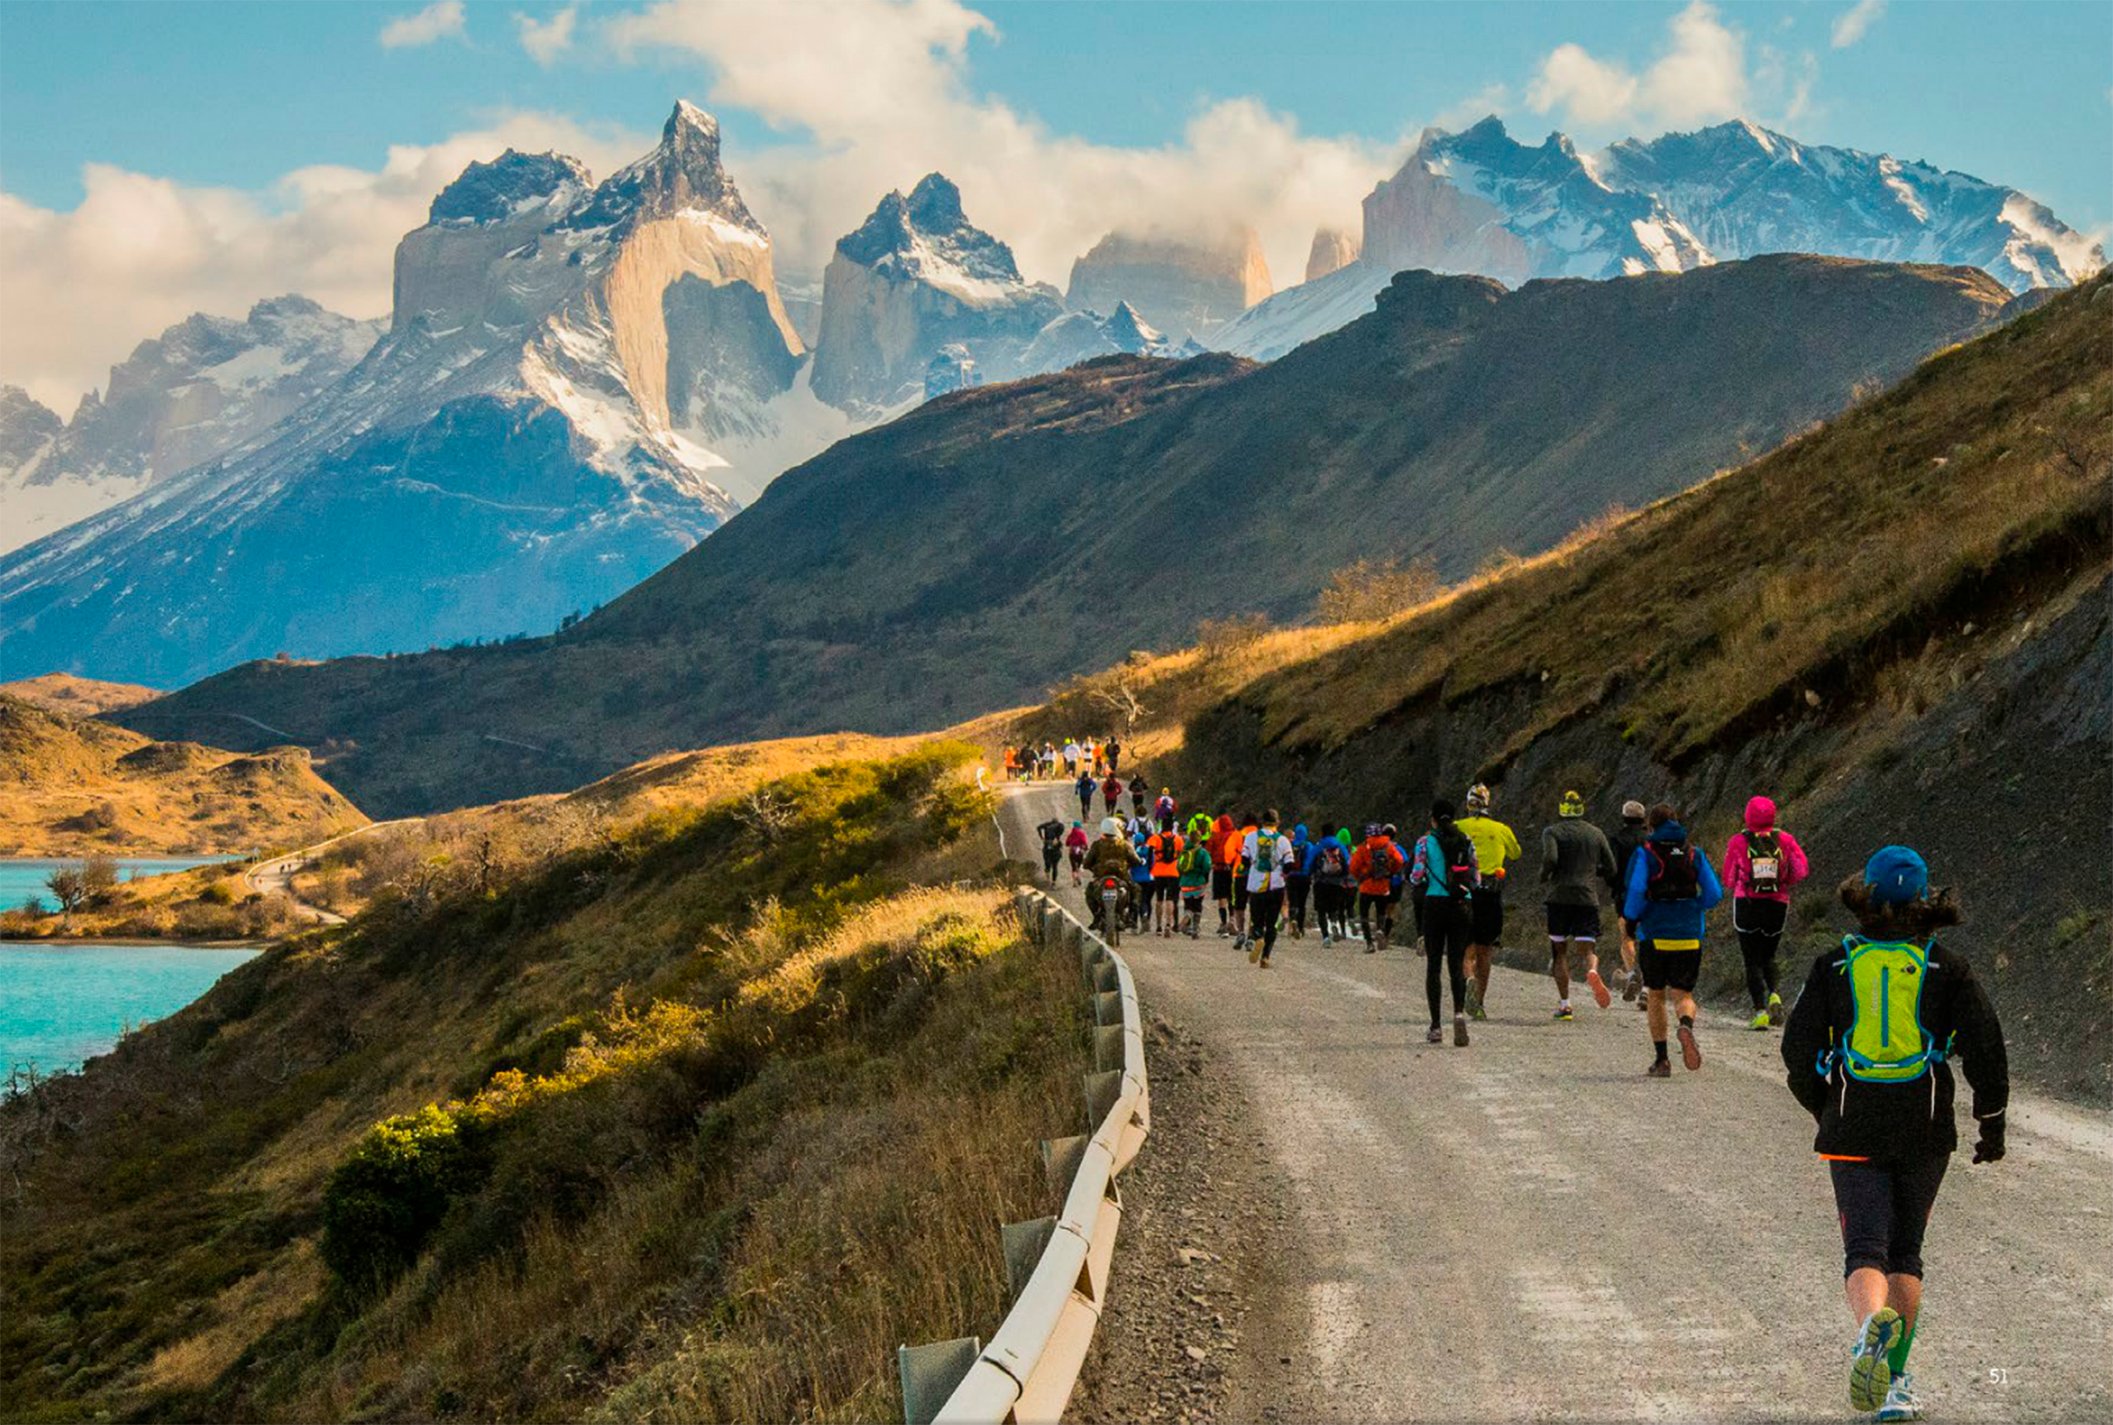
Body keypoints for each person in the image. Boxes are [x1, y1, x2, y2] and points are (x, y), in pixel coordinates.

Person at [1780, 847, 2007, 1423]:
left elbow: (1796, 1050)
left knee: (1864, 1249)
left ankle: (1867, 1339)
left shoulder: (1833, 964)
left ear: (1868, 898)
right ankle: (1895, 1383)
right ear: (1924, 900)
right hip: (1924, 1126)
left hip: (1853, 1123)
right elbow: (1986, 1047)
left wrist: (1824, 1106)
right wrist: (1991, 1122)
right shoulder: (1947, 968)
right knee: (1906, 1253)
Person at [1624, 804, 1723, 1076]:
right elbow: (1714, 893)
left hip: (1655, 936)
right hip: (1689, 936)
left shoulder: (1645, 853)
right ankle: (1686, 1025)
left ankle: (1662, 1060)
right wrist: (1695, 906)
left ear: (1651, 828)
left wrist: (1632, 919)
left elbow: (1635, 890)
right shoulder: (1694, 853)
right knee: (1684, 994)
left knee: (1655, 996)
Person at [1724, 795, 1811, 1030]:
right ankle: (1775, 994)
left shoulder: (1738, 842)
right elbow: (1801, 870)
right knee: (1769, 954)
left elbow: (1729, 878)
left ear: (1748, 815)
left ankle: (1759, 1010)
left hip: (1747, 904)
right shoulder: (1785, 840)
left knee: (1751, 959)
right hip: (1777, 904)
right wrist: (1783, 882)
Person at [1540, 790, 1620, 1020]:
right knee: (1588, 948)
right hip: (1587, 897)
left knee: (1559, 951)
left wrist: (1545, 875)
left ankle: (1565, 1004)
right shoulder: (1595, 834)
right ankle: (1592, 970)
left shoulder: (1552, 831)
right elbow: (1611, 867)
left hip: (1559, 897)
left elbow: (1550, 859)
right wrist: (1595, 871)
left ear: (1562, 809)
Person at [1410, 800, 1479, 1046]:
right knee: (1457, 963)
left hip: (1435, 904)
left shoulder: (1424, 842)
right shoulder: (1466, 840)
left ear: (1433, 819)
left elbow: (1417, 875)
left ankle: (1436, 1026)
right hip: (1461, 905)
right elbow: (1475, 875)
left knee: (1434, 966)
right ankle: (1459, 1014)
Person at [1456, 784, 1523, 1021]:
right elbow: (1515, 853)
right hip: (1491, 892)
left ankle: (1468, 982)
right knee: (1486, 949)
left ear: (1468, 804)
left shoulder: (1456, 828)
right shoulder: (1501, 828)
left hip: (1462, 892)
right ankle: (1480, 1003)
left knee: (1466, 948)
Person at [1609, 800, 1652, 1011]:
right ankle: (1647, 986)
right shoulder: (1650, 840)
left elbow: (1611, 867)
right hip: (1649, 895)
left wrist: (1613, 886)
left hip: (1624, 895)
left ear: (1624, 817)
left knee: (1627, 936)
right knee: (1646, 937)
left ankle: (1634, 972)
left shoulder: (1617, 839)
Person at [1243, 810, 1295, 968]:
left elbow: (1244, 859)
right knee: (1271, 923)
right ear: (1277, 823)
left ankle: (1258, 936)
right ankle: (1265, 957)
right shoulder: (1283, 840)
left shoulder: (1251, 837)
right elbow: (1289, 864)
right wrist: (1282, 873)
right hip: (1276, 886)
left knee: (1257, 920)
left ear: (1262, 822)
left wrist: (1252, 869)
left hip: (1257, 885)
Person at [1350, 823, 1405, 952]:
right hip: (1383, 885)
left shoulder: (1363, 847)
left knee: (1364, 915)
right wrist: (1391, 872)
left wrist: (1360, 877)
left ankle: (1369, 944)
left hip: (1366, 886)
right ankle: (1380, 930)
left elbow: (1353, 866)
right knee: (1381, 913)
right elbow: (1399, 860)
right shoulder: (1388, 846)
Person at [1081, 818, 1139, 932]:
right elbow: (1135, 860)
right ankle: (1131, 918)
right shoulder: (1125, 844)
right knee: (1136, 891)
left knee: (1089, 893)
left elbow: (1086, 863)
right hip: (1122, 877)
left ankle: (1096, 918)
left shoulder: (1097, 844)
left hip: (1101, 877)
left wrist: (1093, 868)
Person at [1312, 828, 1357, 945]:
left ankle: (1326, 937)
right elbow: (1347, 868)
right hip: (1339, 884)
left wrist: (1311, 874)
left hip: (1321, 883)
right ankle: (1335, 923)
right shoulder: (1343, 850)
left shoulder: (1319, 848)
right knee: (1335, 909)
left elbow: (1311, 864)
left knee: (1321, 911)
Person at [1226, 812, 1260, 947]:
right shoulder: (1261, 836)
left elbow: (1228, 854)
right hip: (1257, 874)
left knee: (1239, 905)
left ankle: (1241, 932)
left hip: (1239, 874)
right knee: (1255, 906)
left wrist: (1234, 861)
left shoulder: (1237, 835)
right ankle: (1252, 935)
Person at [1148, 822, 1184, 936]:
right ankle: (1169, 924)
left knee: (1159, 899)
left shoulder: (1155, 838)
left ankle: (1159, 926)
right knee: (1170, 899)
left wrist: (1150, 866)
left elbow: (1150, 852)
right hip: (1173, 872)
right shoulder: (1178, 839)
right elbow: (1181, 854)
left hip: (1158, 871)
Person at [1283, 823, 1315, 939]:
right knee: (1302, 904)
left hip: (1291, 876)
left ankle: (1292, 923)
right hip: (1304, 878)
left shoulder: (1289, 844)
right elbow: (1311, 861)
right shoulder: (1308, 845)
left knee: (1292, 902)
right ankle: (1301, 928)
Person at [1177, 830, 1211, 938]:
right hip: (1198, 883)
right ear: (1199, 839)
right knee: (1197, 906)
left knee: (1188, 905)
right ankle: (1195, 928)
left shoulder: (1184, 850)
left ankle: (1187, 918)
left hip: (1185, 883)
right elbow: (1206, 866)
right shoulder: (1202, 852)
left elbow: (1178, 866)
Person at [1209, 813, 1238, 936]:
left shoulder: (1215, 837)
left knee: (1222, 897)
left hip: (1219, 869)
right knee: (1232, 896)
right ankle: (1233, 921)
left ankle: (1223, 923)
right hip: (1232, 869)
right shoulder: (1235, 836)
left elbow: (1208, 851)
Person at [1129, 824, 1157, 932]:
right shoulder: (1149, 850)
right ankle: (1146, 916)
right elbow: (1152, 863)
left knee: (1134, 901)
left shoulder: (1133, 851)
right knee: (1146, 901)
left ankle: (1134, 924)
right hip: (1149, 879)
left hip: (1136, 879)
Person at [1036, 816, 1065, 883]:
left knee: (1048, 863)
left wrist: (1041, 837)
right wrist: (1057, 838)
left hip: (1048, 844)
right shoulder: (1060, 826)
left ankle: (1048, 874)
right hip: (1054, 846)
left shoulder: (1047, 825)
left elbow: (1038, 827)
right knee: (1055, 866)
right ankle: (1053, 881)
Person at [1065, 821, 1089, 885]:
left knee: (1073, 867)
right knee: (1079, 866)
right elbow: (1084, 842)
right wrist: (1086, 848)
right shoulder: (1082, 834)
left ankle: (1074, 881)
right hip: (1079, 852)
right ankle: (1078, 876)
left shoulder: (1071, 834)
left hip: (1072, 852)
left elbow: (1067, 843)